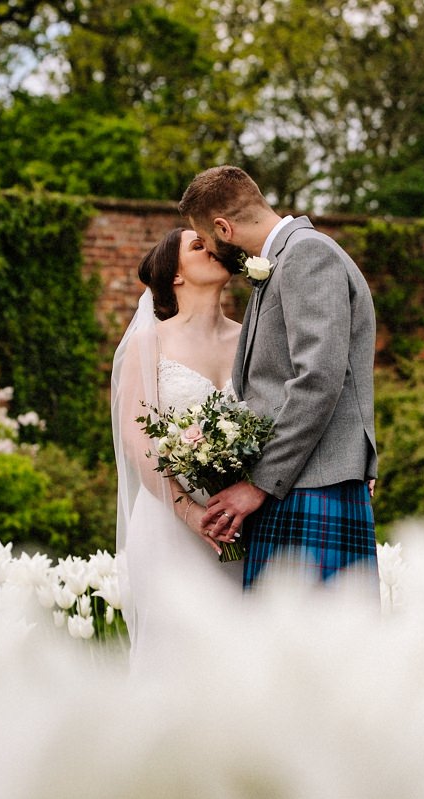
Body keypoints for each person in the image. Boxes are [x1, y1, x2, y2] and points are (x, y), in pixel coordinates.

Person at [177, 165, 380, 592]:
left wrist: (257, 484)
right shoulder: (286, 261)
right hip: (300, 482)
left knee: (312, 649)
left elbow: (319, 379)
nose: (212, 251)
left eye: (208, 240)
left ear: (222, 227)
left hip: (310, 484)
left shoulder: (307, 255)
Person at [111, 227, 243, 656]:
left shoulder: (250, 340)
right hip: (169, 525)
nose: (213, 249)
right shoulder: (150, 343)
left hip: (238, 527)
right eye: (198, 245)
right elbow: (137, 440)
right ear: (175, 275)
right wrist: (188, 512)